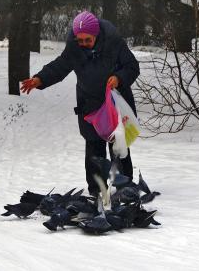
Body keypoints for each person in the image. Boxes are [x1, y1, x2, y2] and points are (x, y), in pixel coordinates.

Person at [20, 11, 140, 196]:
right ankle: (97, 190)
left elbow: (132, 66)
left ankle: (125, 189)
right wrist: (40, 79)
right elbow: (60, 66)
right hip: (89, 103)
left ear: (96, 35)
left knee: (118, 146)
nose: (83, 44)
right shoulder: (74, 47)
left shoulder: (114, 43)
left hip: (115, 102)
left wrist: (118, 77)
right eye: (80, 40)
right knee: (93, 147)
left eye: (87, 40)